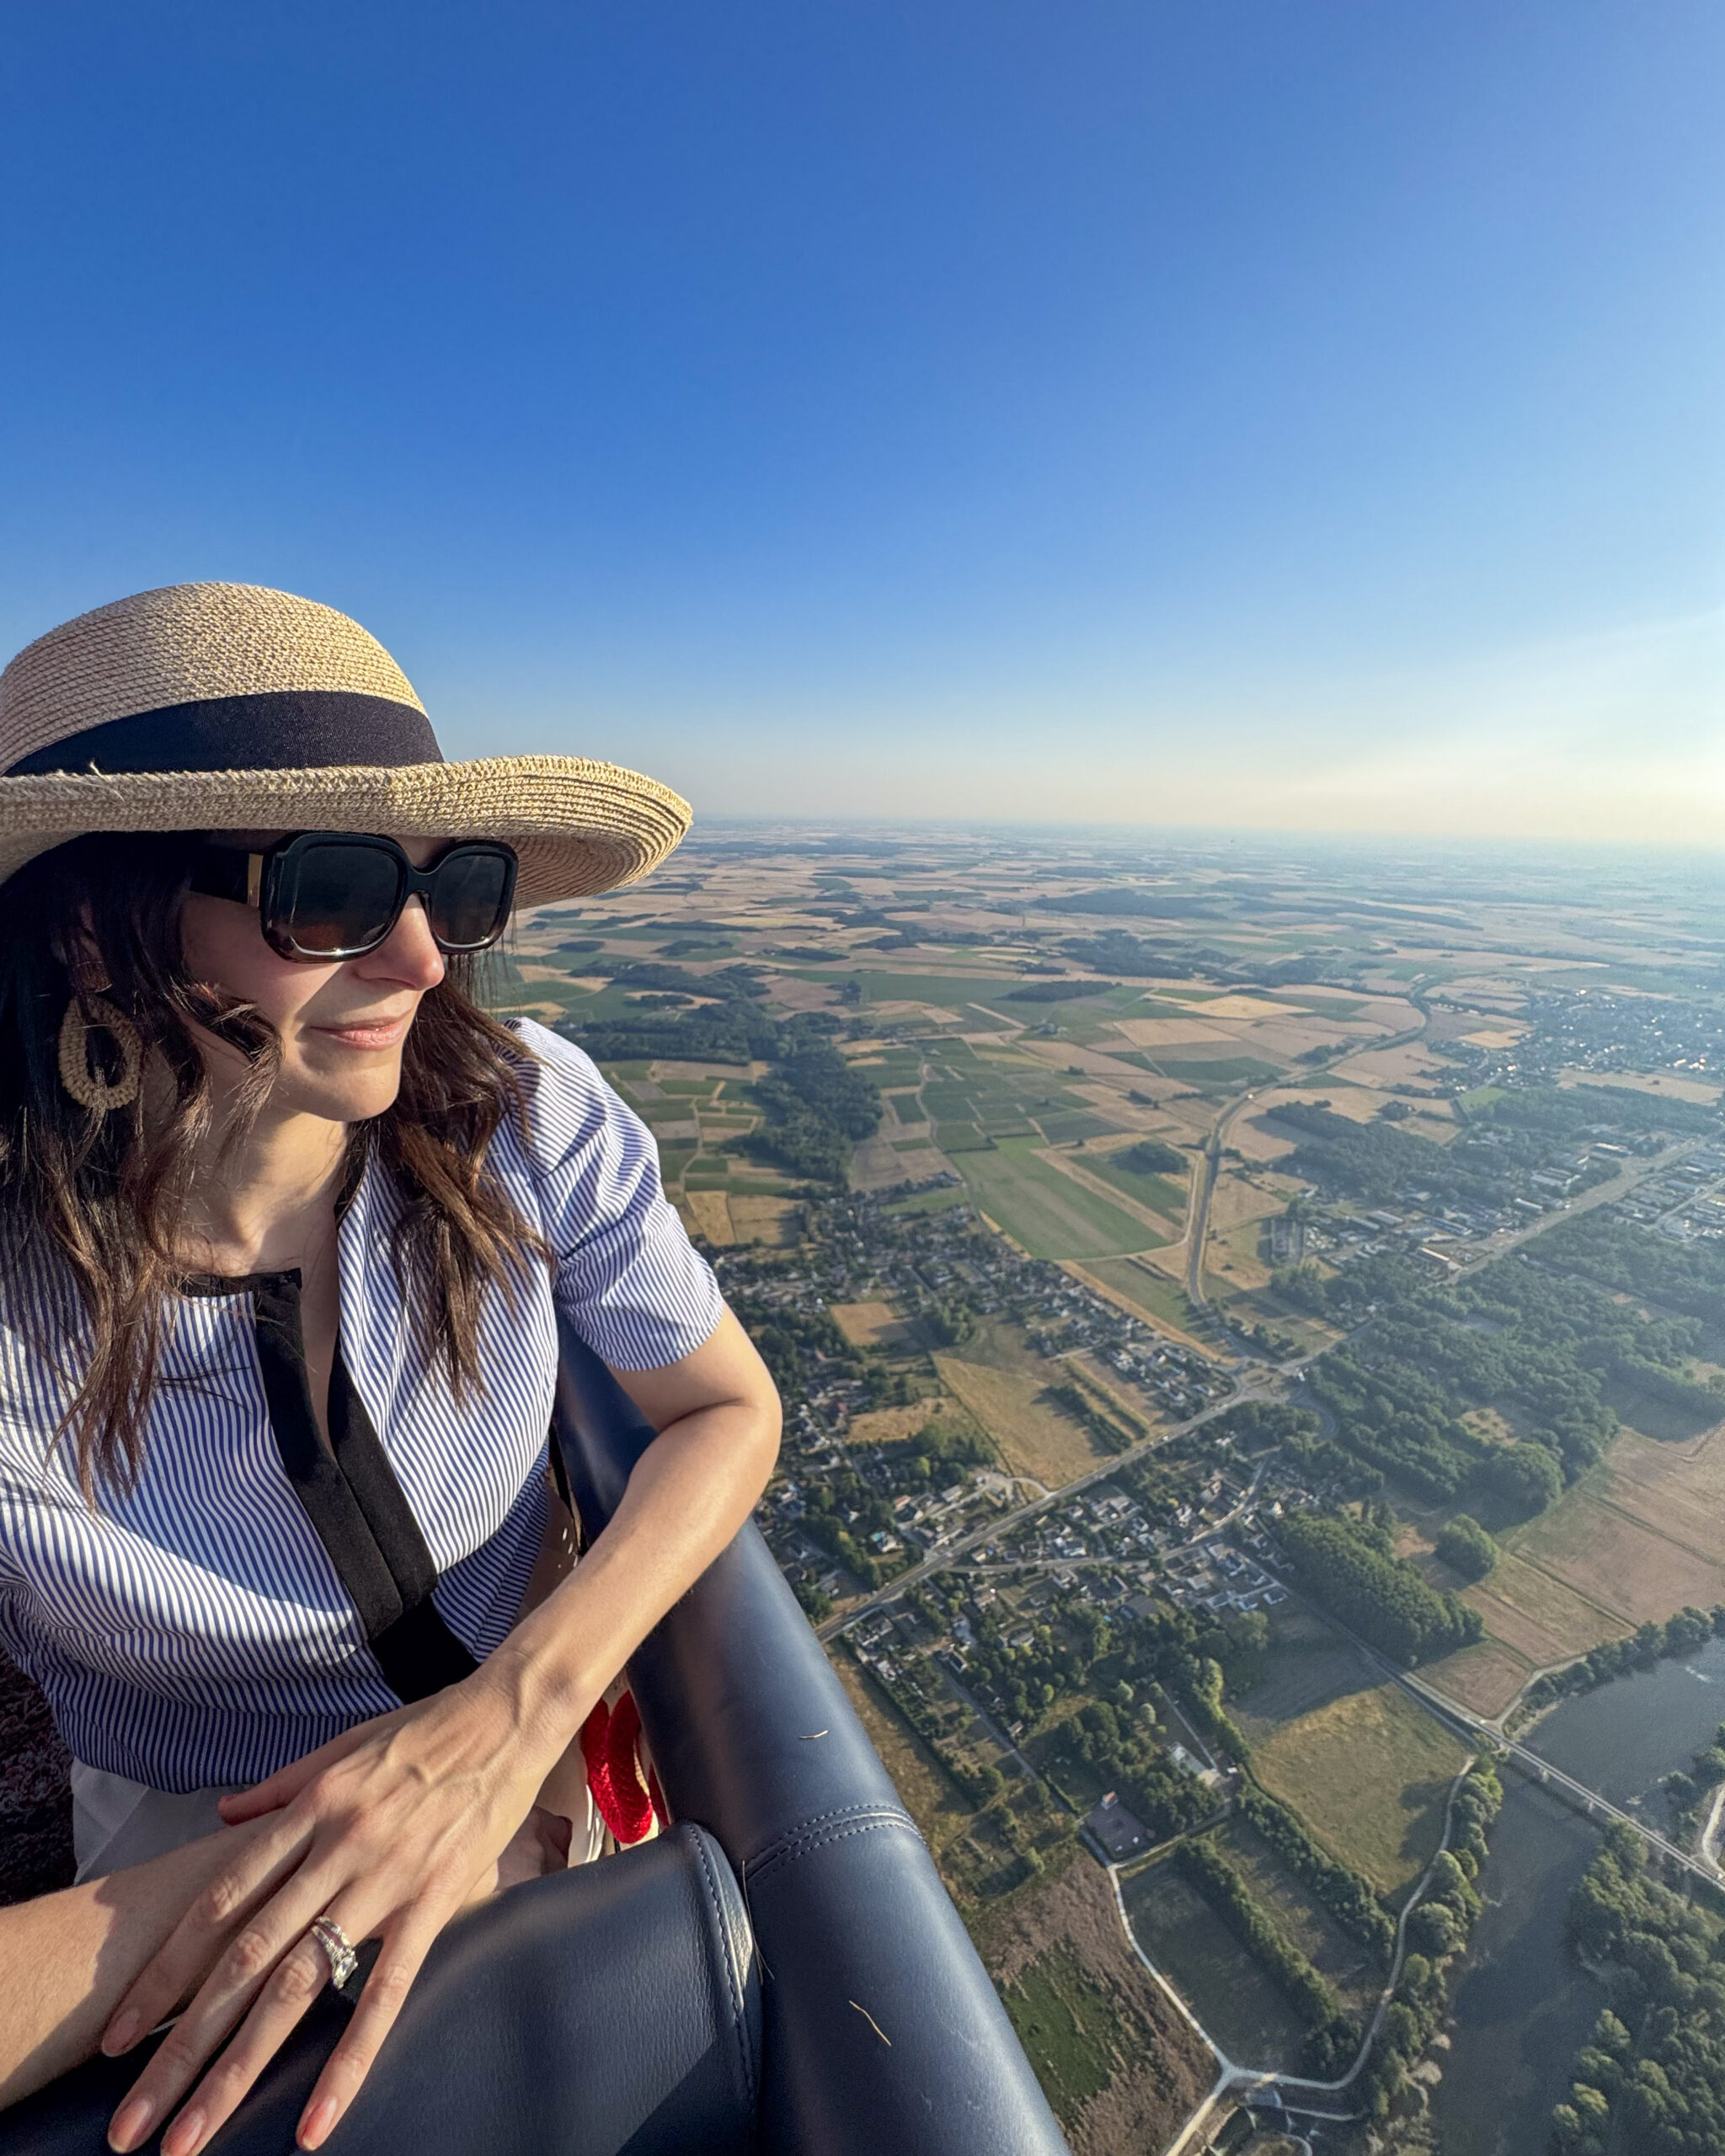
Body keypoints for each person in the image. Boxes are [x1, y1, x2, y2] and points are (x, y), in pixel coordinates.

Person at [0, 584, 781, 2153]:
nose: (426, 960)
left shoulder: (520, 1114)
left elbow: (724, 1409)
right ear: (94, 928)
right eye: (335, 890)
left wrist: (509, 1721)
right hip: (170, 1870)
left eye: (456, 887)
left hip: (536, 1778)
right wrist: (280, 1882)